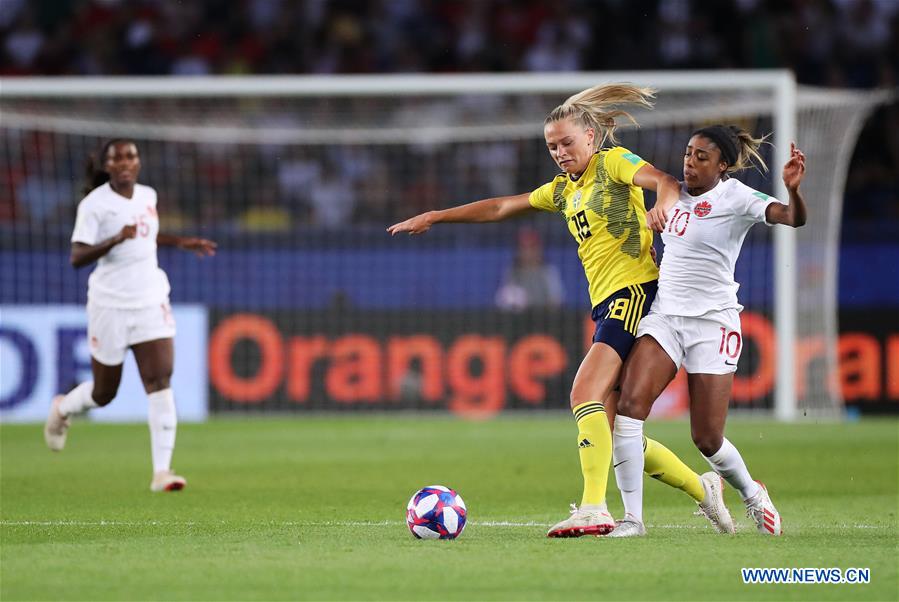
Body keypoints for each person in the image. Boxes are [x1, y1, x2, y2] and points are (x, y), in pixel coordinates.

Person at [389, 83, 734, 537]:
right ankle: (703, 490)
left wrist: (663, 209)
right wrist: (435, 215)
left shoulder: (613, 163)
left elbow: (664, 181)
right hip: (608, 303)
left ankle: (594, 507)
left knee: (582, 392)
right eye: (551, 146)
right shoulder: (562, 191)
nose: (559, 152)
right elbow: (499, 207)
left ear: (591, 137)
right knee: (612, 431)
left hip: (635, 292)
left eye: (566, 142)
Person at [610, 126, 808, 537]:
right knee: (628, 407)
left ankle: (753, 494)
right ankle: (632, 520)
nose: (690, 162)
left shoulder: (736, 197)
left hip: (713, 323)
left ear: (723, 166)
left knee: (707, 437)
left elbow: (791, 218)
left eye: (702, 157)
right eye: (688, 152)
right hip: (666, 316)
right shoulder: (672, 193)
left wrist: (792, 191)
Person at [43, 139, 217, 492]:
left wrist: (180, 241)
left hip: (150, 298)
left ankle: (162, 471)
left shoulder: (147, 196)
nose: (125, 162)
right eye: (117, 158)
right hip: (110, 304)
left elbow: (145, 237)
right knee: (105, 393)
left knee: (160, 380)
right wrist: (114, 241)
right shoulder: (94, 205)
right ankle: (63, 408)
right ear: (107, 166)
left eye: (131, 156)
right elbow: (77, 257)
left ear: (138, 163)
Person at [495, 227, 564, 310]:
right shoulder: (512, 271)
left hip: (542, 319)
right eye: (524, 247)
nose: (528, 252)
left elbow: (557, 300)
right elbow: (501, 301)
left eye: (532, 247)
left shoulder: (548, 271)